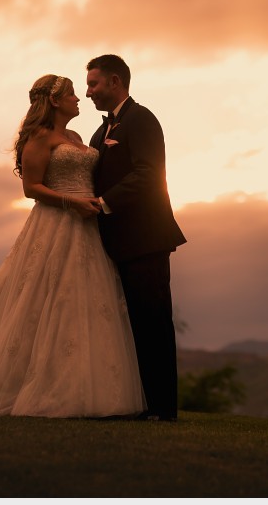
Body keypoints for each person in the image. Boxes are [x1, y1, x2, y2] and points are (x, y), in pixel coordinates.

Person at [0, 74, 146, 418]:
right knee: (51, 300)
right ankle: (41, 387)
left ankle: (92, 390)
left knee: (86, 302)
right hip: (57, 223)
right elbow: (32, 188)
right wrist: (71, 202)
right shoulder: (39, 137)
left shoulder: (78, 137)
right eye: (71, 95)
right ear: (55, 101)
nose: (79, 98)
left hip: (89, 227)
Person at [86, 55, 187, 422]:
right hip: (113, 243)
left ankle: (163, 408)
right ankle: (140, 403)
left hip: (145, 239)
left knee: (153, 321)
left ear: (115, 81)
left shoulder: (142, 119)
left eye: (94, 84)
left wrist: (105, 203)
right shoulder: (100, 133)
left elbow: (149, 173)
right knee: (127, 327)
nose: (88, 92)